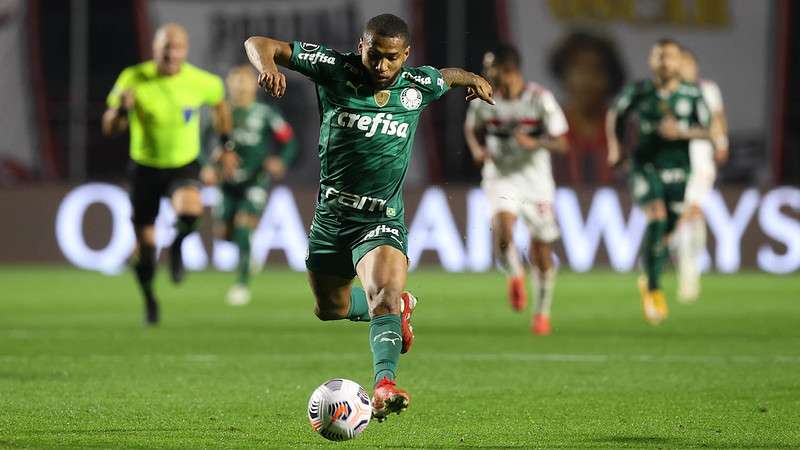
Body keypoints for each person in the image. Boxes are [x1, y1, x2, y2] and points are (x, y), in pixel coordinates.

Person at [244, 13, 494, 421]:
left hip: (381, 218)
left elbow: (446, 76)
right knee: (330, 308)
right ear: (361, 46)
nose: (381, 67)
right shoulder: (333, 68)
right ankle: (401, 308)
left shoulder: (416, 86)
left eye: (392, 59)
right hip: (331, 217)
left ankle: (384, 384)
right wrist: (268, 66)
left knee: (383, 296)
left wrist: (473, 79)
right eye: (374, 55)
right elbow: (258, 42)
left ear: (405, 56)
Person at [102, 23, 231, 325]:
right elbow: (109, 128)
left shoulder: (204, 82)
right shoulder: (133, 78)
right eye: (165, 48)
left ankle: (176, 245)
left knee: (190, 210)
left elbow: (221, 109)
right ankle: (149, 297)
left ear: (185, 50)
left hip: (182, 164)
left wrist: (226, 146)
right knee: (146, 250)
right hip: (144, 168)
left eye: (177, 48)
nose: (171, 54)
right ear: (155, 48)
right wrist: (121, 110)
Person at [464, 44, 568, 335]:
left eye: (490, 67)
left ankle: (542, 312)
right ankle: (515, 275)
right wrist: (477, 149)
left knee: (541, 251)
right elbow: (471, 128)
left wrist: (537, 143)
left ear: (508, 69)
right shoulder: (485, 97)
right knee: (503, 234)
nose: (485, 73)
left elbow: (562, 142)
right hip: (500, 176)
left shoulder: (540, 99)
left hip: (536, 183)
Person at [606, 38, 710, 325]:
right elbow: (615, 114)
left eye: (670, 57)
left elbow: (708, 130)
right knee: (657, 216)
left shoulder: (692, 93)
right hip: (644, 165)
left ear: (679, 62)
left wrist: (682, 133)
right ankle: (653, 288)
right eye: (659, 57)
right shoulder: (639, 91)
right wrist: (615, 148)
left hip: (679, 169)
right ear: (652, 62)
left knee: (668, 230)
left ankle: (648, 275)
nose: (665, 62)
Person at [200, 66, 298, 306]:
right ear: (228, 86)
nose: (240, 88)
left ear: (254, 86)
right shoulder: (222, 113)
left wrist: (281, 160)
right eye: (236, 83)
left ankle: (242, 284)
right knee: (223, 234)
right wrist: (207, 165)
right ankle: (246, 252)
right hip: (227, 183)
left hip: (255, 180)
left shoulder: (265, 113)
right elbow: (201, 141)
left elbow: (289, 141)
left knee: (244, 228)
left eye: (244, 83)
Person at [674, 48, 729, 302]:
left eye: (688, 63)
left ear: (695, 66)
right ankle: (685, 268)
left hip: (701, 158)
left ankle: (690, 273)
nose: (685, 68)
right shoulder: (669, 92)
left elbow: (718, 118)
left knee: (693, 211)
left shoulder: (708, 88)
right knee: (680, 216)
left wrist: (722, 143)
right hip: (675, 161)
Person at [548, 30, 626, 186]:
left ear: (610, 79)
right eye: (579, 69)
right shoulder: (548, 129)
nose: (587, 80)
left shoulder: (625, 131)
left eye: (597, 70)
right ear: (563, 74)